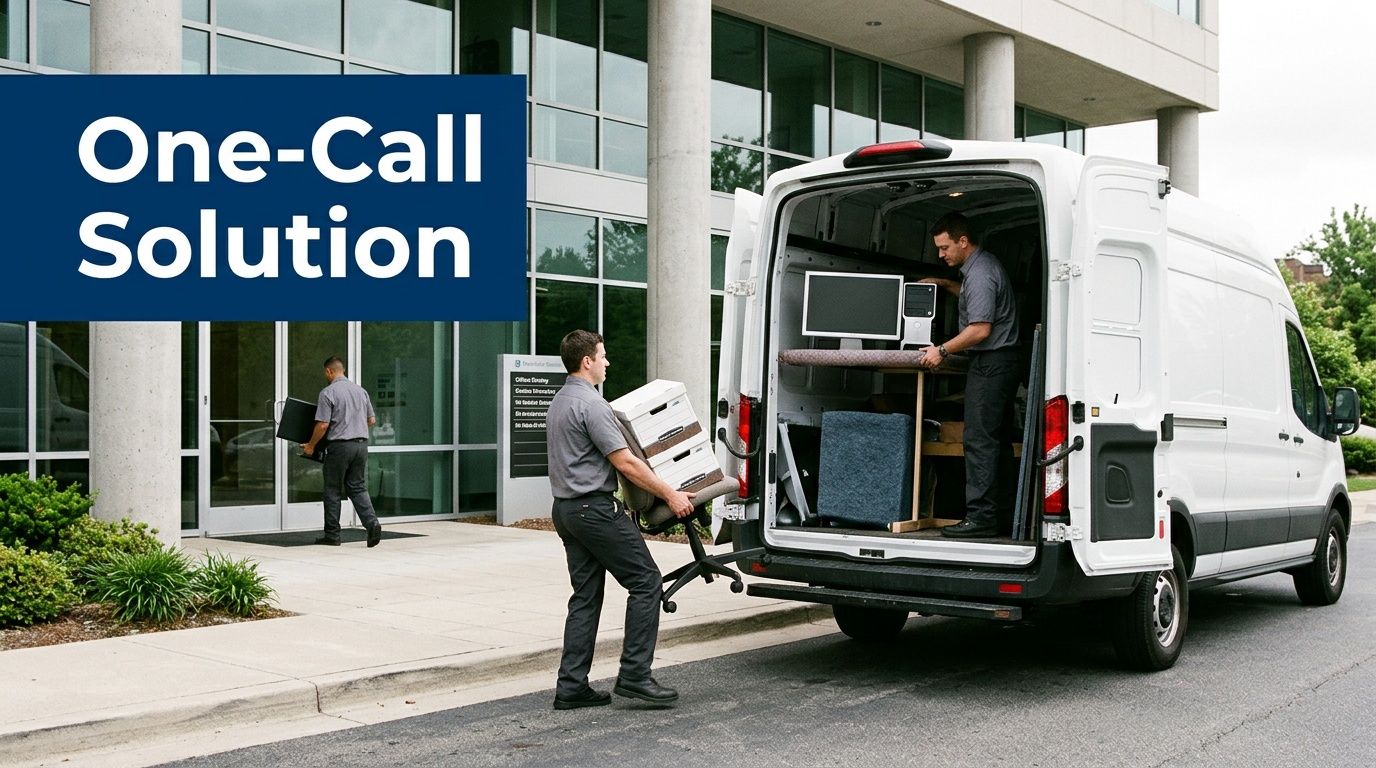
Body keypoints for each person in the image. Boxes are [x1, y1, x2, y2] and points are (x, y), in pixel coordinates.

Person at [545, 330, 695, 711]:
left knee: (585, 597)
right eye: (603, 355)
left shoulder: (560, 401)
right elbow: (625, 461)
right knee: (646, 582)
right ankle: (634, 676)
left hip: (566, 511)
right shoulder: (592, 405)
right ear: (587, 362)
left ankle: (571, 686)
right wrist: (670, 494)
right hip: (593, 511)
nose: (607, 362)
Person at [918, 213, 1021, 539]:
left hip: (990, 363)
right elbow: (979, 299)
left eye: (945, 247)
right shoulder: (982, 268)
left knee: (978, 441)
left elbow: (979, 329)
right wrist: (948, 285)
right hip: (1002, 363)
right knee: (997, 442)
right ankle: (1002, 516)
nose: (941, 254)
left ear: (963, 241)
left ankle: (980, 519)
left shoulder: (980, 275)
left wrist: (942, 351)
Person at [301, 357, 383, 548]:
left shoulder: (328, 392)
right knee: (357, 487)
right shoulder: (361, 391)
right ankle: (372, 524)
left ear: (329, 371)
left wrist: (311, 446)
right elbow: (371, 421)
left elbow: (322, 425)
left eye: (325, 373)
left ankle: (332, 535)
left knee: (332, 489)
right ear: (342, 370)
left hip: (340, 447)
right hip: (361, 446)